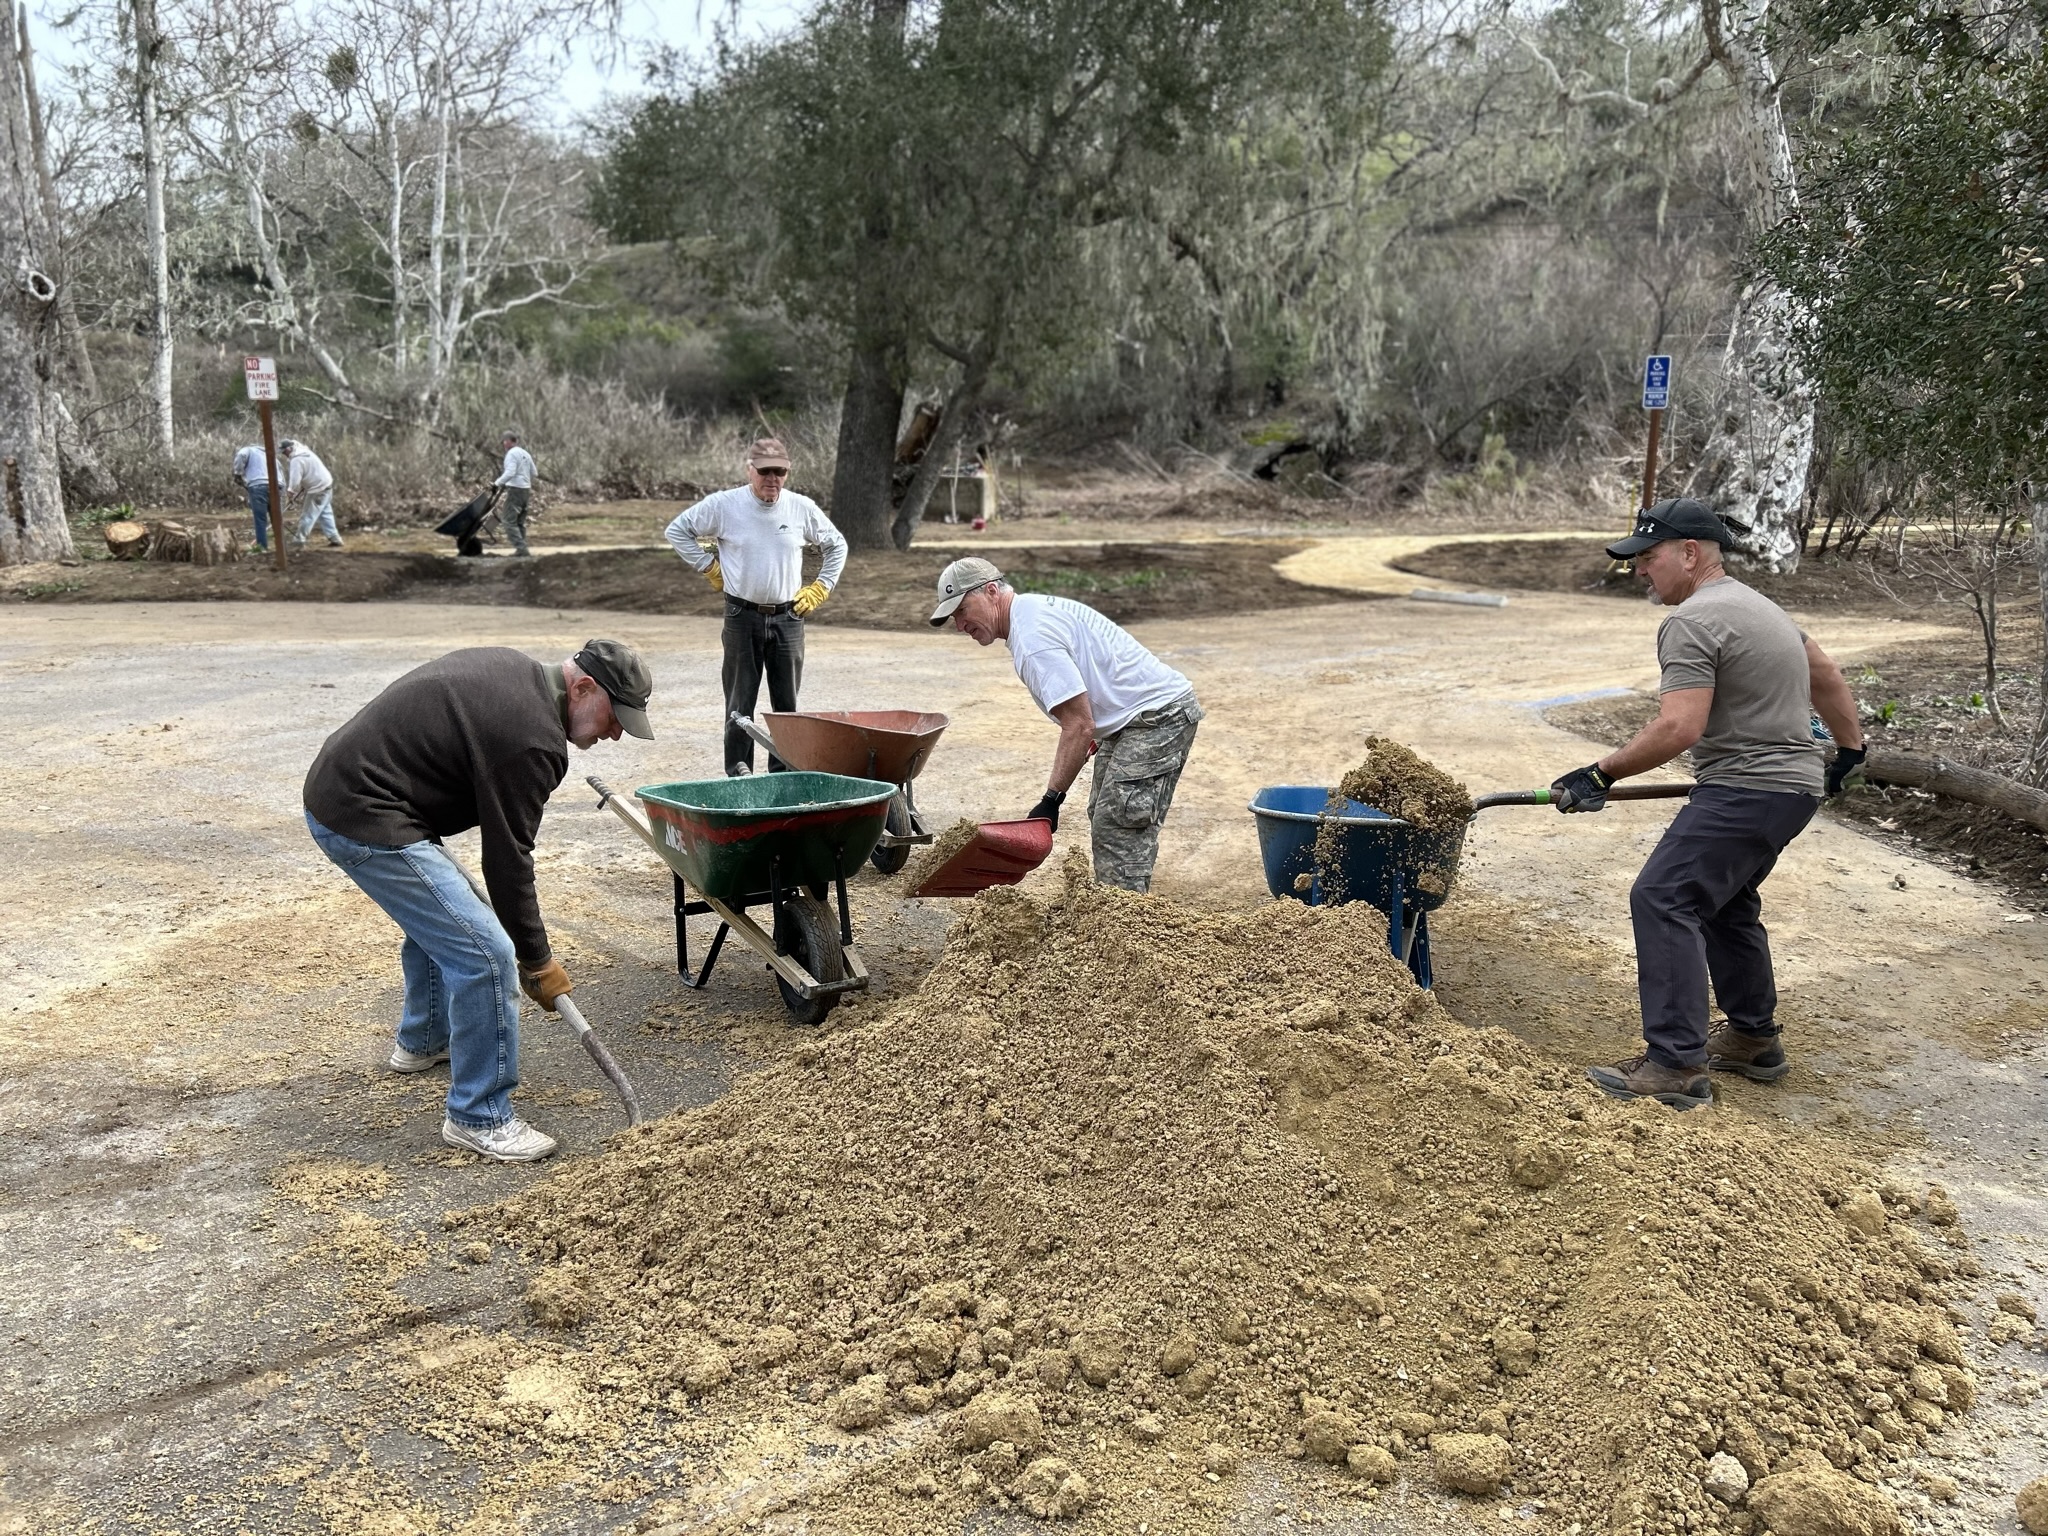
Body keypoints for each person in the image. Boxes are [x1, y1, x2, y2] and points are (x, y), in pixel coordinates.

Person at [1551, 497, 1866, 1110]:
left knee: (1663, 896)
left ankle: (1674, 1064)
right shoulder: (1758, 606)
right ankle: (1752, 1038)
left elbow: (1678, 728)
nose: (1640, 571)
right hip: (1789, 790)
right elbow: (1821, 668)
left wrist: (1600, 773)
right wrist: (1850, 747)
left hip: (1748, 787)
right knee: (1723, 902)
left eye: (1647, 557)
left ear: (1689, 553)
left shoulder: (1691, 620)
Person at [302, 640, 654, 1162]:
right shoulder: (534, 740)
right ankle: (479, 1117)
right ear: (582, 687)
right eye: (613, 716)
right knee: (485, 952)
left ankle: (423, 1042)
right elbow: (509, 862)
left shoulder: (516, 669)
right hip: (364, 812)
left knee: (450, 917)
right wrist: (536, 959)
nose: (615, 732)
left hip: (352, 791)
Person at [930, 556, 1203, 894]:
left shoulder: (1033, 641)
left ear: (990, 591)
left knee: (1119, 823)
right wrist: (1086, 742)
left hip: (1159, 717)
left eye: (962, 611)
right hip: (1131, 719)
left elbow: (1078, 724)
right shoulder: (1029, 613)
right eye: (954, 616)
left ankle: (1127, 924)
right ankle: (1117, 906)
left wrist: (1051, 800)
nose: (960, 625)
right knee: (1105, 811)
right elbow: (1086, 710)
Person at [664, 437, 848, 775]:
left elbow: (837, 545)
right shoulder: (724, 506)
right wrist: (709, 567)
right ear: (750, 470)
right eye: (765, 471)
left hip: (789, 618)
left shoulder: (800, 508)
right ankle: (739, 777)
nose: (772, 479)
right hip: (741, 616)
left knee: (787, 707)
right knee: (739, 704)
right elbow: (677, 530)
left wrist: (821, 587)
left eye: (779, 472)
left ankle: (784, 776)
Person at [282, 438, 341, 549]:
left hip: (317, 489)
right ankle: (335, 538)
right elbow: (310, 472)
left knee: (307, 516)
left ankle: (298, 542)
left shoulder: (296, 459)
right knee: (325, 513)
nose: (284, 454)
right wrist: (304, 486)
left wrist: (290, 493)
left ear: (289, 448)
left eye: (284, 451)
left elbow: (295, 480)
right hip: (327, 485)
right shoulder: (305, 452)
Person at [495, 429, 537, 557]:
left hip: (515, 490)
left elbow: (510, 472)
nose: (503, 444)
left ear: (507, 442)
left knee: (508, 521)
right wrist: (524, 479)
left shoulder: (511, 454)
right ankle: (521, 550)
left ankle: (522, 549)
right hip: (526, 490)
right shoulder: (525, 453)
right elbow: (534, 473)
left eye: (504, 441)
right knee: (519, 522)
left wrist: (497, 483)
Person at [230, 442, 272, 552]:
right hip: (277, 485)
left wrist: (237, 473)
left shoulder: (248, 450)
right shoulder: (267, 453)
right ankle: (282, 548)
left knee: (260, 519)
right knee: (276, 519)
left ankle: (262, 548)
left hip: (258, 486)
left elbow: (241, 456)